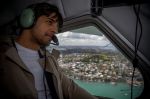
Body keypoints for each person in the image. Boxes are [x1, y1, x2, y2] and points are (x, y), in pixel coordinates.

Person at [0, 2, 98, 99]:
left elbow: (70, 88)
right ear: (28, 19)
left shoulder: (50, 59)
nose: (55, 31)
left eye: (56, 27)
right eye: (49, 22)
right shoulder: (3, 56)